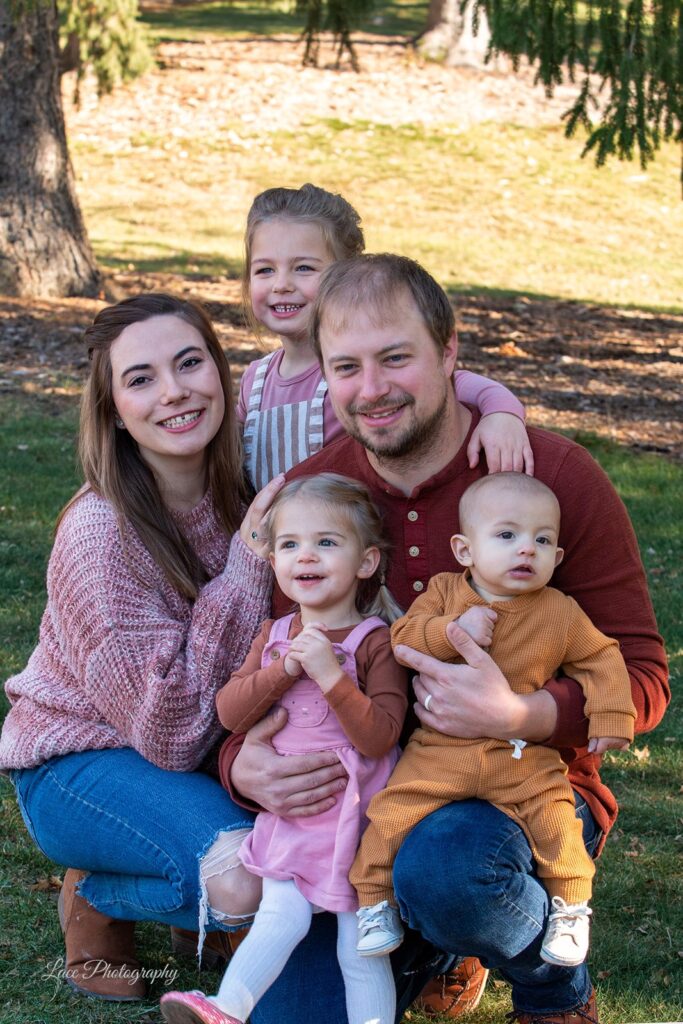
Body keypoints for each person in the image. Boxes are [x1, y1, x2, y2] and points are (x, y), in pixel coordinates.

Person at [220, 254, 669, 1024]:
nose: (373, 389)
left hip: (521, 791)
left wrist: (520, 714)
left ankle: (549, 987)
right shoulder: (317, 502)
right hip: (353, 810)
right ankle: (433, 939)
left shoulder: (550, 478)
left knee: (450, 870)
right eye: (347, 367)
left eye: (396, 357)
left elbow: (642, 679)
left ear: (450, 352)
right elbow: (267, 664)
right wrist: (242, 766)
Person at [0, 293, 285, 1002]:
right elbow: (170, 731)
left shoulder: (237, 490)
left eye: (190, 363)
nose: (174, 392)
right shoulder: (102, 536)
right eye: (141, 379)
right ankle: (100, 894)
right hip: (79, 763)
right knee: (249, 879)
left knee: (311, 850)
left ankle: (199, 900)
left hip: (192, 754)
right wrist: (250, 557)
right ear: (114, 411)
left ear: (221, 374)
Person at [350, 472, 635, 976]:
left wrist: (611, 714)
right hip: (440, 754)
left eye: (542, 540)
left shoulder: (560, 612)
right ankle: (374, 902)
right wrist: (450, 631)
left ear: (557, 558)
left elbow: (603, 657)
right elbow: (404, 638)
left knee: (555, 822)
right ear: (465, 550)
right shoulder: (444, 593)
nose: (526, 549)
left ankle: (570, 909)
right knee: (390, 814)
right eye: (507, 536)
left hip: (522, 757)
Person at [160, 474, 408, 1024]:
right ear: (273, 560)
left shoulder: (374, 641)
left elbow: (381, 734)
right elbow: (230, 713)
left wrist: (331, 676)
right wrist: (285, 670)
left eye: (327, 542)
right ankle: (227, 1008)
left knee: (359, 950)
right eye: (290, 545)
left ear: (366, 562)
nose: (306, 557)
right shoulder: (274, 635)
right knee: (279, 918)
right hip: (293, 819)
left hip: (357, 822)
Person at [237, 183, 534, 489]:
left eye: (303, 268)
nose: (281, 285)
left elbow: (465, 386)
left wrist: (503, 417)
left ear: (351, 277)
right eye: (264, 271)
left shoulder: (360, 370)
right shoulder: (256, 380)